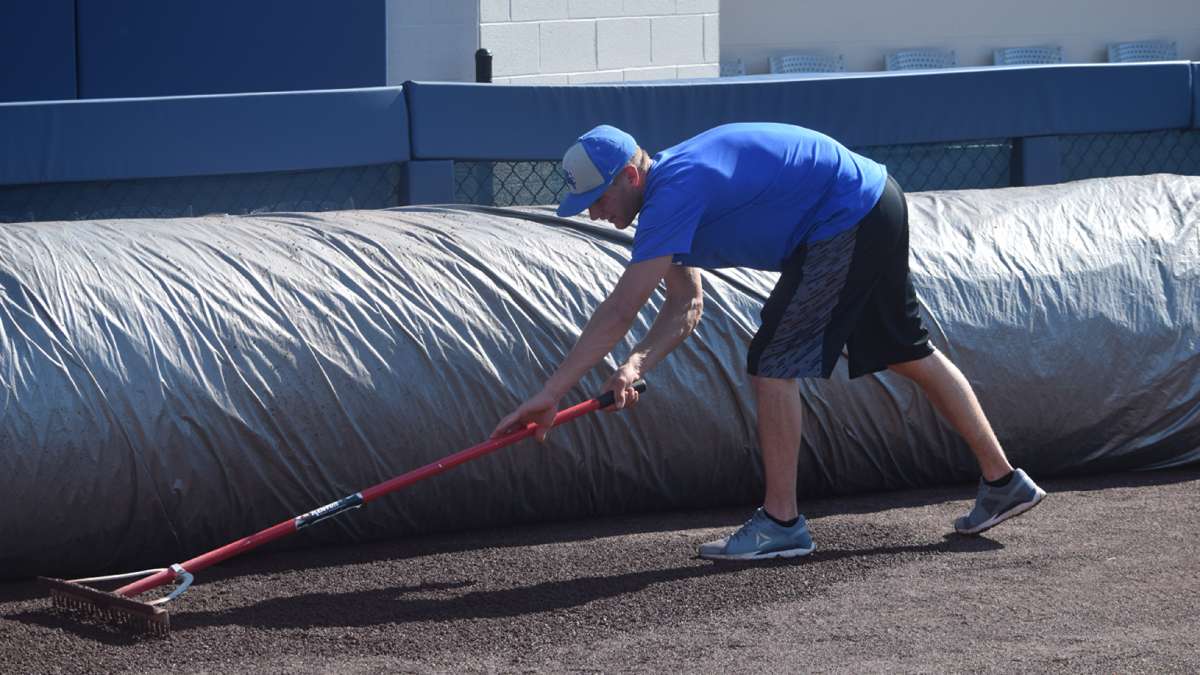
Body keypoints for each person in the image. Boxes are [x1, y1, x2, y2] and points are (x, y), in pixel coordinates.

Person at [492, 122, 1046, 561]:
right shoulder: (669, 196)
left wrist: (552, 393)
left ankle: (782, 522)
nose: (593, 211)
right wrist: (636, 363)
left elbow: (618, 310)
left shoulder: (674, 189)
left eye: (597, 197)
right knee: (905, 351)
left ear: (630, 177)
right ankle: (1003, 482)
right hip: (875, 201)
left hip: (846, 216)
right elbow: (686, 304)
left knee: (771, 363)